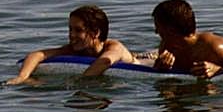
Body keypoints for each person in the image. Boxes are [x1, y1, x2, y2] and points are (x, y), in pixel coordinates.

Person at [7, 5, 135, 85]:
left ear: (95, 33)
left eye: (78, 30)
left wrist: (78, 82)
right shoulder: (75, 48)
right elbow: (38, 55)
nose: (71, 35)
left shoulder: (114, 47)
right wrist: (22, 77)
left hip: (138, 63)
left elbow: (105, 61)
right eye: (70, 29)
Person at [151, 0, 223, 78]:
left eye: (158, 27)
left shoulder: (216, 46)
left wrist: (218, 70)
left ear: (170, 30)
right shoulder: (167, 47)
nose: (156, 32)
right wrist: (160, 69)